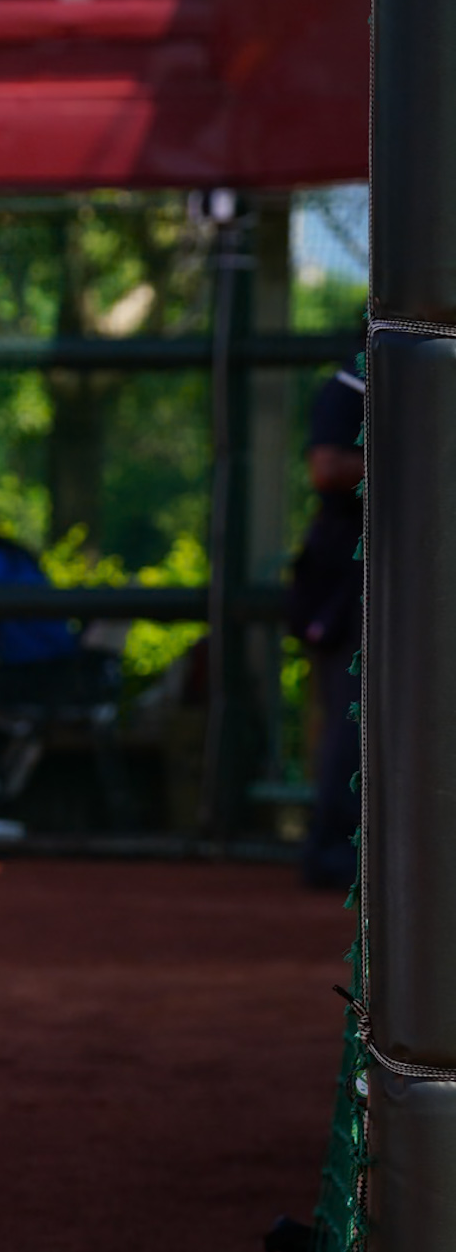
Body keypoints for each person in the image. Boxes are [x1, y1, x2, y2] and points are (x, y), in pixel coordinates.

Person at [289, 361, 365, 891]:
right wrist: (426, 462)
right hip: (349, 575)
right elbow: (328, 467)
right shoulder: (357, 376)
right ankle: (336, 851)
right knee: (353, 711)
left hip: (418, 565)